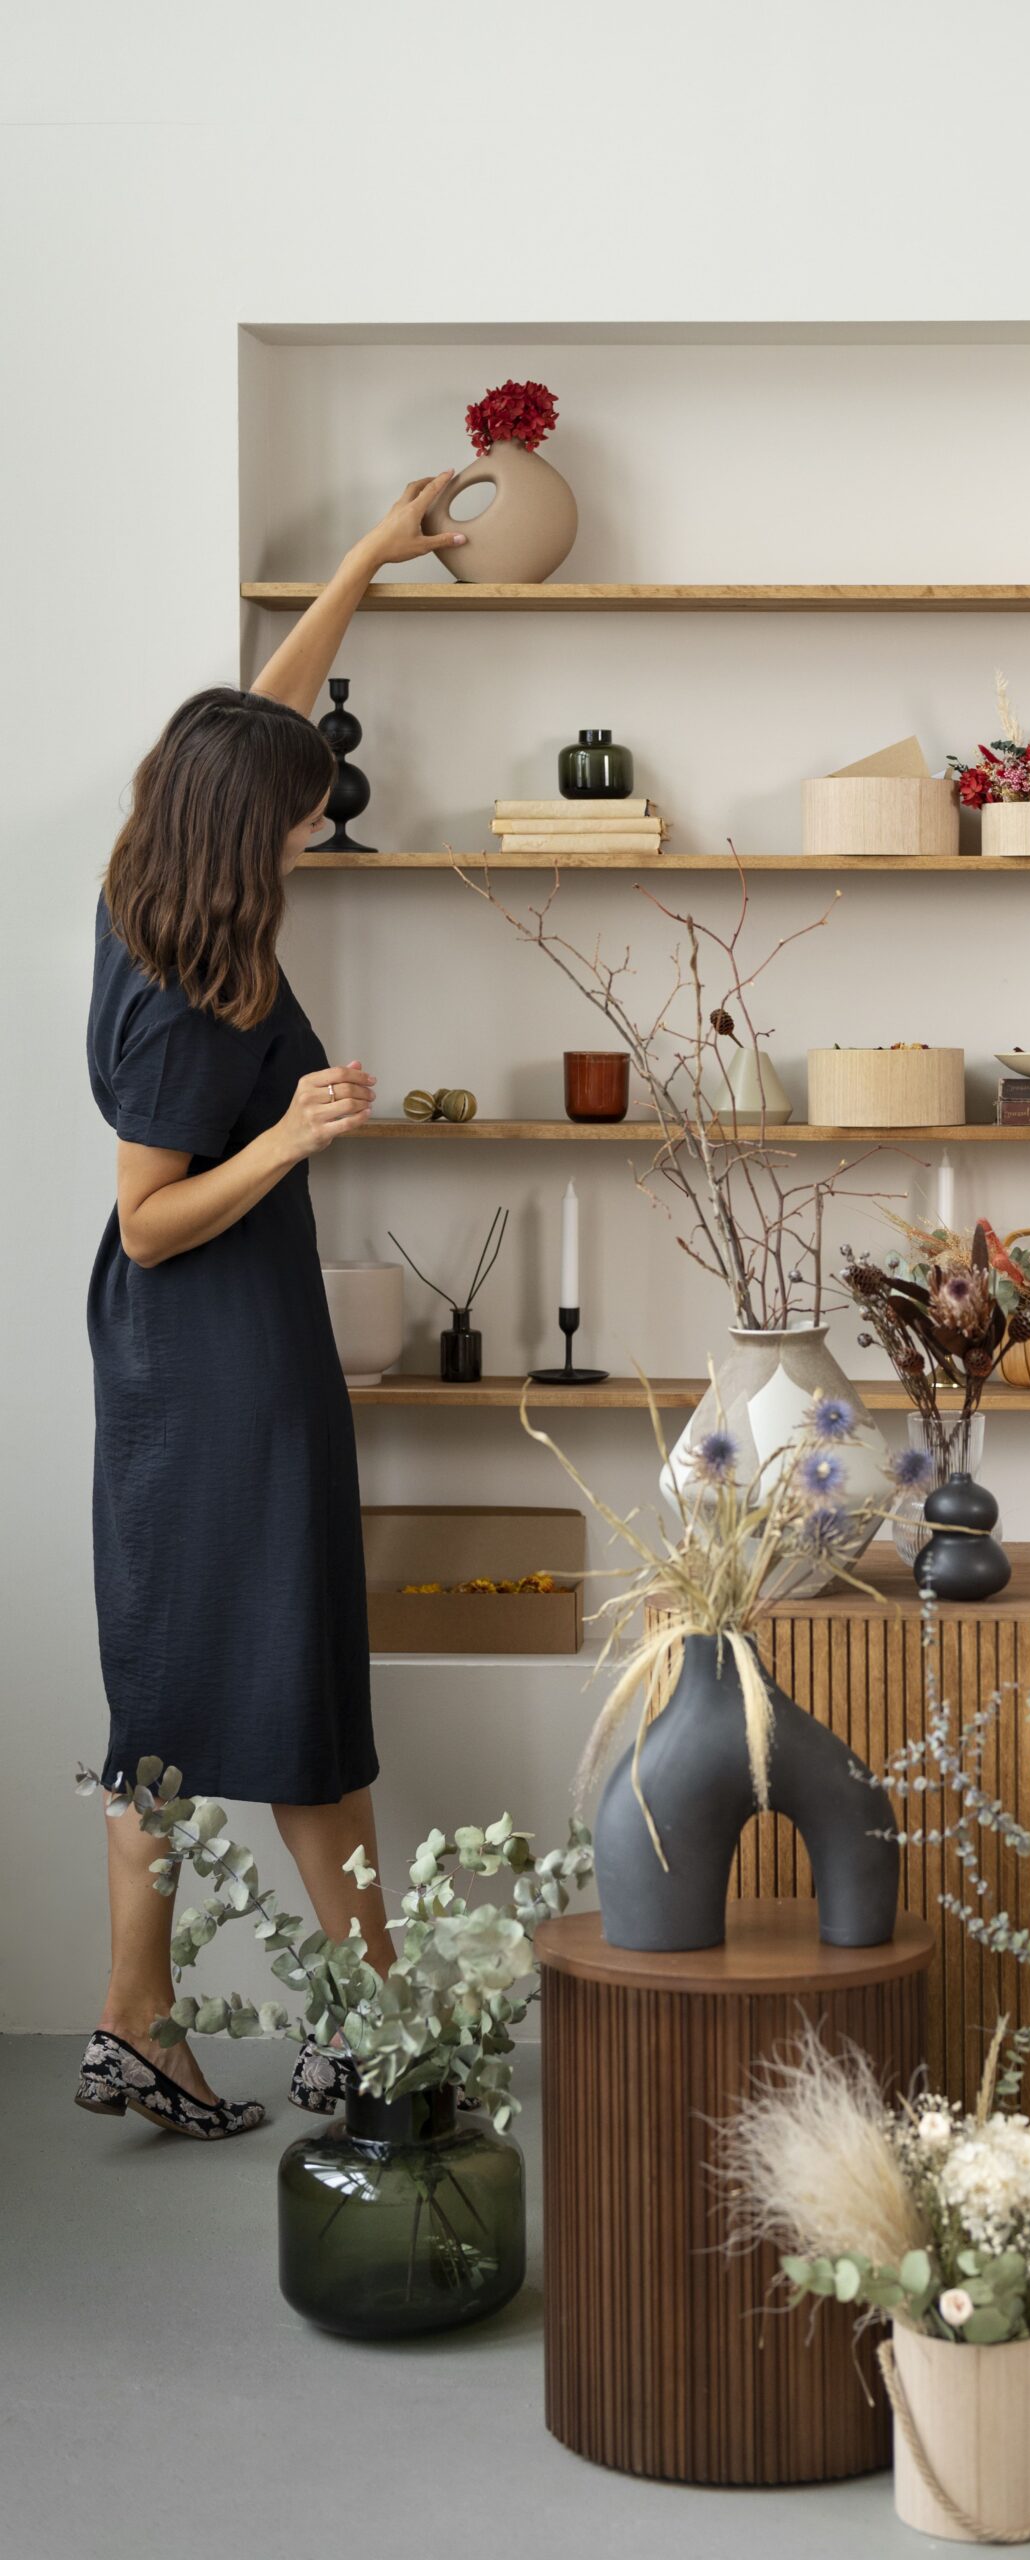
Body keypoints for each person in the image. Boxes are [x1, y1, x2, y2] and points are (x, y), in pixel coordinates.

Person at [75, 479, 467, 2137]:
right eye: (307, 820)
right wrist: (295, 1137)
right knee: (289, 1685)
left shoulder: (156, 874)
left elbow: (264, 718)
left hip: (205, 1355)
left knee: (173, 1687)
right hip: (212, 1345)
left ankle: (136, 2022)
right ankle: (365, 2026)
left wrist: (370, 560)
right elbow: (149, 1221)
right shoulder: (191, 993)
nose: (318, 829)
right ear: (254, 837)